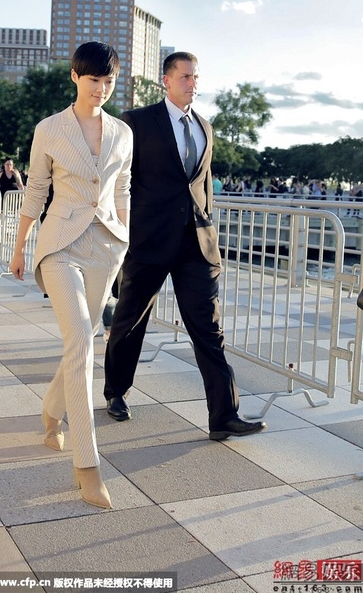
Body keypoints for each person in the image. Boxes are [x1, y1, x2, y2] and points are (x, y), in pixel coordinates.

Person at [103, 51, 266, 440]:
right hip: (149, 240)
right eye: (186, 77)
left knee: (208, 328)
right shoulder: (137, 121)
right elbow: (120, 180)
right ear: (167, 80)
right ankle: (116, 391)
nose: (193, 83)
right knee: (130, 320)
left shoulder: (205, 127)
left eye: (196, 77)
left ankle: (224, 416)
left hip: (196, 245)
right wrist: (122, 233)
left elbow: (202, 183)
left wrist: (208, 227)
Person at [9, 41, 132, 509]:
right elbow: (36, 188)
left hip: (107, 247)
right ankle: (87, 465)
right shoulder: (50, 129)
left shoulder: (122, 132)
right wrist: (20, 247)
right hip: (60, 245)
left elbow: (122, 187)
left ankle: (51, 410)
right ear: (75, 77)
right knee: (81, 336)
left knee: (84, 339)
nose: (101, 88)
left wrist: (126, 238)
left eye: (108, 81)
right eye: (93, 79)